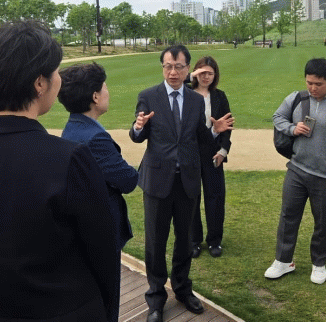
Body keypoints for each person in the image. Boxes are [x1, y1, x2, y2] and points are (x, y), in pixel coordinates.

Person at [0, 21, 119, 322]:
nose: (59, 80)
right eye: (56, 72)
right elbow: (104, 256)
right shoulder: (70, 159)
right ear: (40, 83)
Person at [129, 44, 234, 322]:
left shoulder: (196, 100)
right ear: (162, 67)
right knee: (155, 242)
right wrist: (138, 126)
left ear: (188, 69)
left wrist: (216, 132)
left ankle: (183, 289)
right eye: (168, 66)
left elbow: (201, 137)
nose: (173, 72)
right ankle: (155, 298)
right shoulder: (148, 96)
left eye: (178, 67)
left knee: (185, 240)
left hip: (187, 180)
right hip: (157, 181)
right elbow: (138, 134)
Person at [265, 58, 326, 284]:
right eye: (309, 82)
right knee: (288, 216)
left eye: (318, 84)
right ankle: (283, 260)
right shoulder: (297, 98)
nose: (313, 88)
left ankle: (319, 263)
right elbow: (277, 117)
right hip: (296, 170)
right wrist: (292, 128)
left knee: (323, 222)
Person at [58, 62, 139, 322]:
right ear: (95, 96)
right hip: (101, 232)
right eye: (105, 88)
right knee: (107, 300)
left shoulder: (74, 127)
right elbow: (128, 180)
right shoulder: (95, 138)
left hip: (83, 229)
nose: (107, 92)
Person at [189, 56, 232, 259]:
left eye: (210, 73)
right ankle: (193, 240)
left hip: (213, 154)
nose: (206, 77)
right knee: (192, 197)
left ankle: (215, 240)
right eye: (202, 72)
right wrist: (190, 77)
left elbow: (227, 126)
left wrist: (223, 150)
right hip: (190, 154)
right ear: (195, 73)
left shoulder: (219, 96)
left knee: (215, 197)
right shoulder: (185, 94)